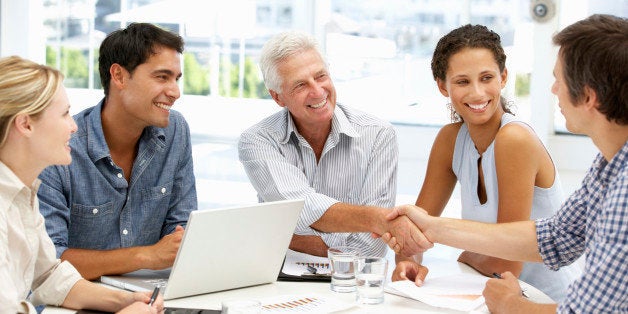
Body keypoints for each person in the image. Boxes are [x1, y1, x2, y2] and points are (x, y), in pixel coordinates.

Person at [384, 14, 627, 313]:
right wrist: (427, 232)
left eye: (558, 80)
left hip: (535, 296)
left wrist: (510, 303)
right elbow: (555, 237)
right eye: (462, 80)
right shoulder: (607, 169)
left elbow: (585, 311)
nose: (553, 90)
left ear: (588, 96)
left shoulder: (623, 190)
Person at [238, 31, 427, 259]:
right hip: (277, 280)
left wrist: (288, 238)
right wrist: (374, 220)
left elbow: (372, 249)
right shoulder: (258, 140)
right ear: (278, 97)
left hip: (352, 282)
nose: (317, 91)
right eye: (300, 85)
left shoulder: (378, 135)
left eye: (320, 77)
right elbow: (300, 206)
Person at [0, 56, 164, 313]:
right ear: (25, 124)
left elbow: (49, 276)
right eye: (65, 114)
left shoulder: (22, 191)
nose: (74, 126)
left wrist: (123, 301)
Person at [37, 22, 197, 280]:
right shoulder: (62, 148)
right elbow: (49, 260)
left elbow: (182, 229)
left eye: (176, 79)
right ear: (119, 76)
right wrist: (146, 256)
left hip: (152, 294)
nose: (175, 92)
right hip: (76, 299)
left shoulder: (175, 130)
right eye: (161, 77)